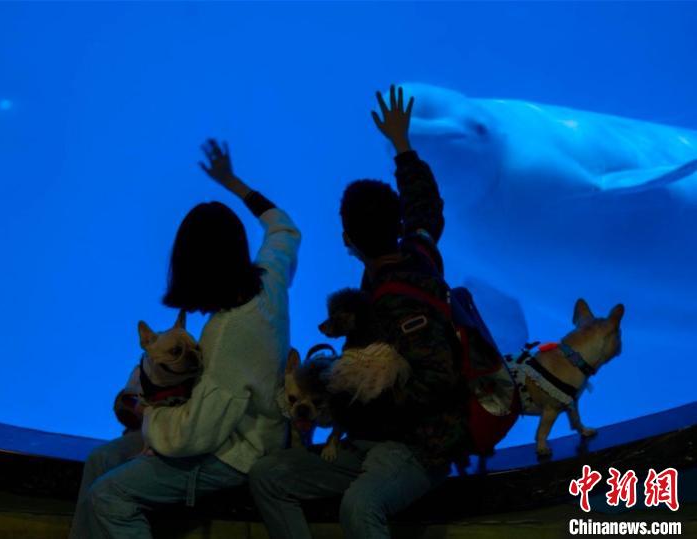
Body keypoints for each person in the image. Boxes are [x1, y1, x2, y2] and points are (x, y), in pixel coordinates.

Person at [249, 85, 468, 539]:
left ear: (347, 240)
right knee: (269, 476)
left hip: (417, 447)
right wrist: (402, 146)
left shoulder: (399, 298)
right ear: (398, 226)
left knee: (359, 507)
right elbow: (426, 206)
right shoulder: (420, 251)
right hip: (369, 440)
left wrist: (361, 400)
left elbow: (437, 379)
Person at [70, 139, 301, 539]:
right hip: (229, 431)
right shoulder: (269, 279)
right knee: (100, 461)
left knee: (108, 497)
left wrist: (147, 412)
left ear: (191, 266)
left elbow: (194, 436)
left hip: (237, 453)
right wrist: (233, 183)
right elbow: (284, 228)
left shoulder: (226, 333)